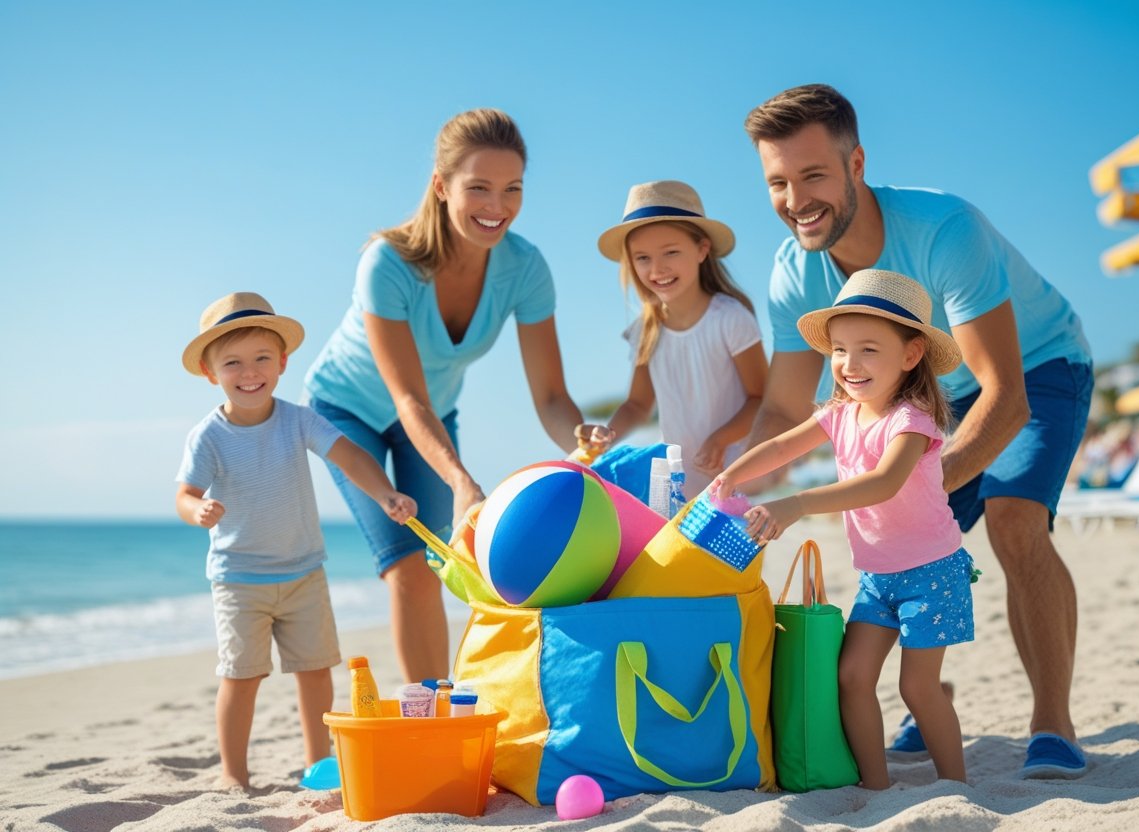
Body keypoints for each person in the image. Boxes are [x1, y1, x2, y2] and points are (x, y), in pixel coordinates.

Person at [743, 84, 1093, 778]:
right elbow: (785, 412)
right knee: (900, 543)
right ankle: (930, 692)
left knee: (1014, 520)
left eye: (813, 174)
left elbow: (1004, 393)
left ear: (856, 163)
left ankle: (1052, 722)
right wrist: (725, 482)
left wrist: (909, 484)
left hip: (1037, 366)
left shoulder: (944, 231)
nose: (795, 199)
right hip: (918, 397)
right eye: (778, 182)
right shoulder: (792, 274)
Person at [303, 109, 588, 683]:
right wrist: (462, 479)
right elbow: (407, 398)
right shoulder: (387, 263)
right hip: (347, 409)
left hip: (431, 418)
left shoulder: (525, 268)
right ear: (441, 186)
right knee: (407, 564)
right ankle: (426, 715)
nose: (497, 207)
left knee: (433, 565)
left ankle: (436, 707)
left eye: (512, 190)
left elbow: (553, 397)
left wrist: (586, 441)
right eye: (478, 188)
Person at [712, 269, 974, 789]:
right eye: (839, 350)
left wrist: (797, 503)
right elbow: (786, 445)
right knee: (851, 677)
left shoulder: (912, 421)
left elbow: (883, 483)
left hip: (934, 571)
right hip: (878, 576)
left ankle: (958, 787)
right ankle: (877, 788)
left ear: (911, 354)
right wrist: (732, 473)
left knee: (918, 689)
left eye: (869, 350)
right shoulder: (838, 412)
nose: (850, 365)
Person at [175, 292, 417, 789]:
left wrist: (385, 493)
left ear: (282, 362)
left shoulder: (298, 419)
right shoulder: (209, 436)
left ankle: (316, 764)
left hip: (304, 571)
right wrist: (197, 510)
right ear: (210, 371)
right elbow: (184, 493)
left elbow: (348, 456)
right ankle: (233, 775)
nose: (250, 372)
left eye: (262, 358)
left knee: (314, 670)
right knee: (241, 676)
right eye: (233, 363)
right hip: (240, 580)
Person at [576, 180, 768, 495]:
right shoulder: (646, 330)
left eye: (671, 252)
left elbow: (761, 400)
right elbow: (637, 404)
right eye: (642, 258)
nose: (657, 268)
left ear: (702, 249)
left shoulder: (730, 319)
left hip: (735, 481)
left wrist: (720, 438)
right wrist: (606, 434)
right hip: (676, 487)